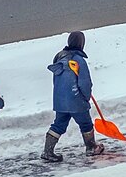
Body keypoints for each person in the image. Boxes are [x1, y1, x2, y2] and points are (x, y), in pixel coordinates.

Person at [42, 31, 104, 162]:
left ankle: (48, 151)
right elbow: (85, 82)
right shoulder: (78, 60)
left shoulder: (59, 58)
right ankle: (91, 148)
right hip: (76, 100)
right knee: (86, 124)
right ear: (81, 43)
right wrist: (86, 97)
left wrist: (59, 96)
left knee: (58, 125)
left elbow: (56, 80)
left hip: (60, 100)